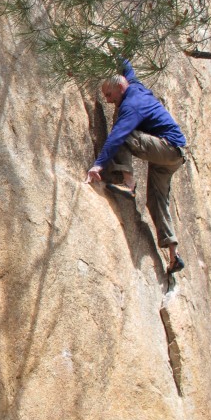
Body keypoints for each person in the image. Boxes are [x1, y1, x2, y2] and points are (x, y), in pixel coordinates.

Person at [85, 58, 188, 274]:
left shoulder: (131, 106)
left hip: (167, 148)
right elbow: (127, 68)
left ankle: (128, 184)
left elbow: (116, 138)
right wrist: (118, 53)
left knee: (122, 134)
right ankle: (173, 255)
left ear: (121, 88)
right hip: (174, 155)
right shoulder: (133, 85)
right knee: (156, 200)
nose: (108, 100)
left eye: (110, 95)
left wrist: (98, 166)